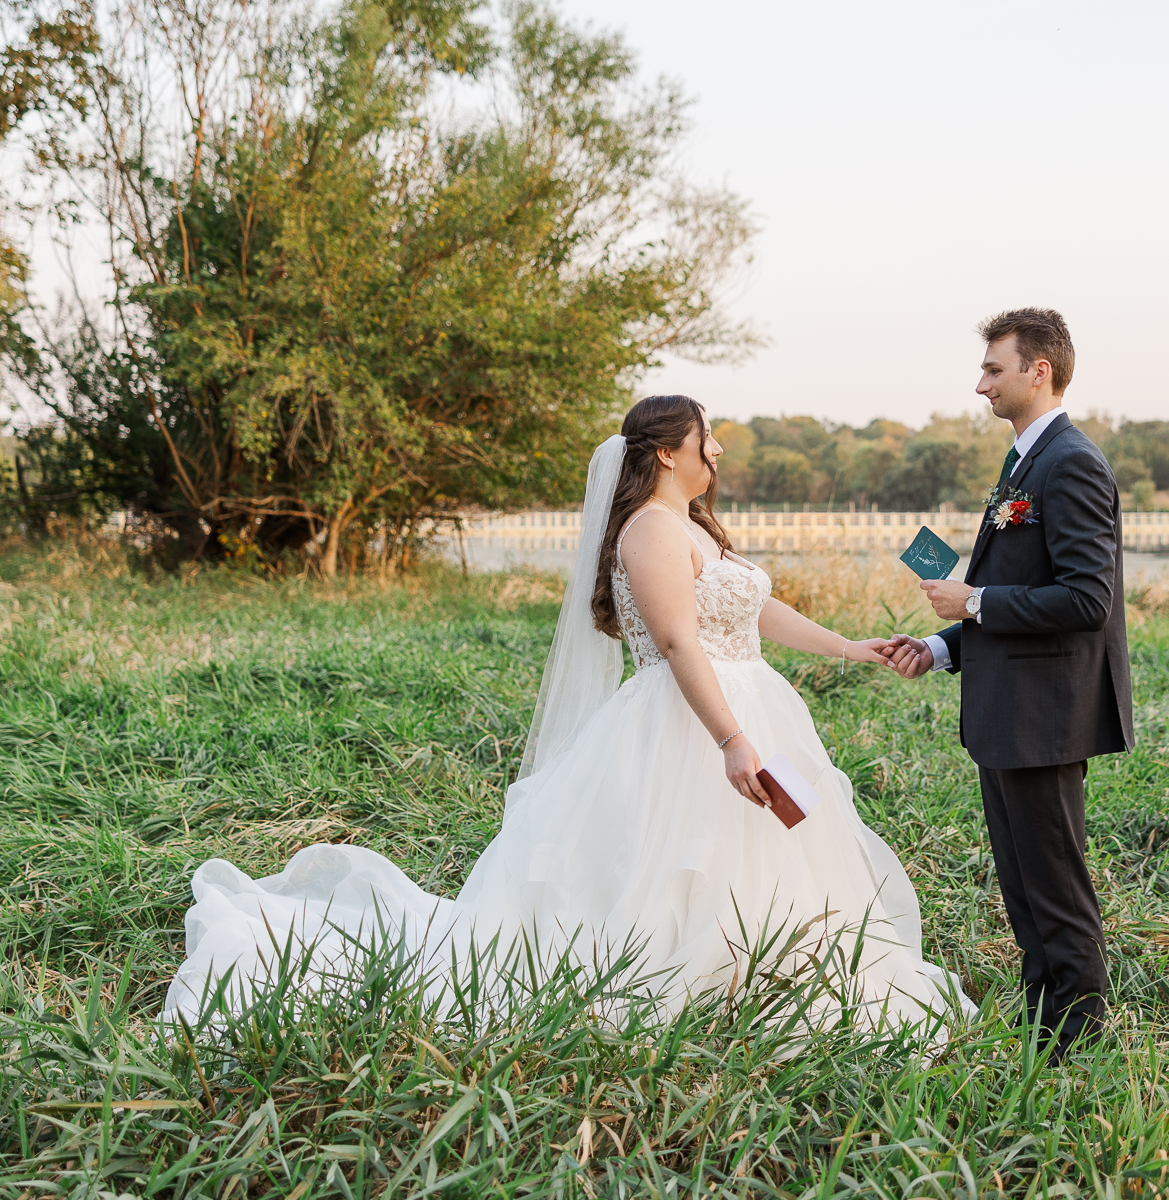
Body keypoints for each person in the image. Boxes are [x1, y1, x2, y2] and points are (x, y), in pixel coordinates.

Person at [165, 395, 967, 1028]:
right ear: (666, 452)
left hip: (752, 698)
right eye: (706, 437)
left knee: (772, 855)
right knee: (680, 855)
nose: (717, 450)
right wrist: (731, 738)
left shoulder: (690, 525)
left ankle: (761, 970)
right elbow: (682, 644)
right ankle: (690, 977)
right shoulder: (650, 531)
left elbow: (757, 610)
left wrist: (850, 646)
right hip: (688, 721)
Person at [888, 308, 1132, 1054]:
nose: (980, 384)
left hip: (1045, 719)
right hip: (1006, 716)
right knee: (1024, 889)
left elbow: (1088, 600)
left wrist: (977, 599)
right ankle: (1041, 1033)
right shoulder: (1022, 462)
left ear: (1040, 371)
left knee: (1056, 890)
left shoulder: (1072, 462)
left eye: (994, 369)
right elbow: (1017, 595)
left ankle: (1080, 1046)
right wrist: (941, 644)